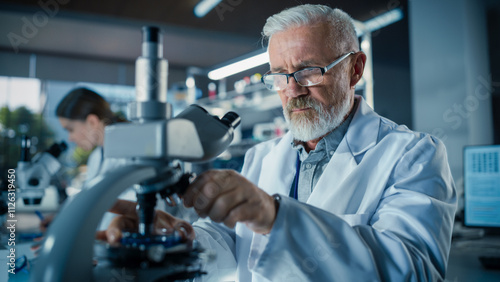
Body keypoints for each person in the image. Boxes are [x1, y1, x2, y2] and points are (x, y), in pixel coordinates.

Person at [99, 4, 457, 281]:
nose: (293, 90)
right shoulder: (262, 156)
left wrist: (275, 218)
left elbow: (413, 271)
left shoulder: (413, 155)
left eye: (308, 71)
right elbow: (234, 243)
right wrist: (178, 238)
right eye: (280, 76)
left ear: (356, 70)